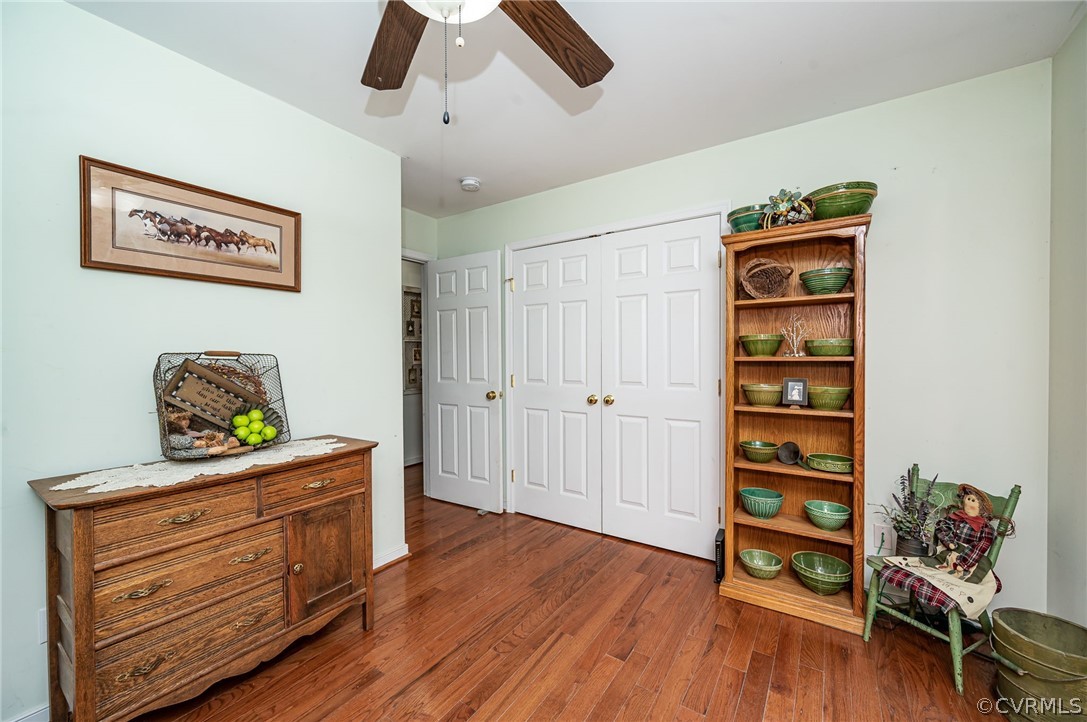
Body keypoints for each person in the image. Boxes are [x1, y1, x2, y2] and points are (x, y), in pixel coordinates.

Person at [878, 483, 1014, 617]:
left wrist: (964, 563)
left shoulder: (985, 529)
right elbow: (941, 527)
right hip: (947, 554)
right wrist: (949, 542)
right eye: (968, 498)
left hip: (970, 560)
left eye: (974, 500)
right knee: (928, 563)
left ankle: (960, 574)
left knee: (969, 578)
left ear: (982, 508)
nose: (969, 502)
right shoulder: (955, 517)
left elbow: (980, 547)